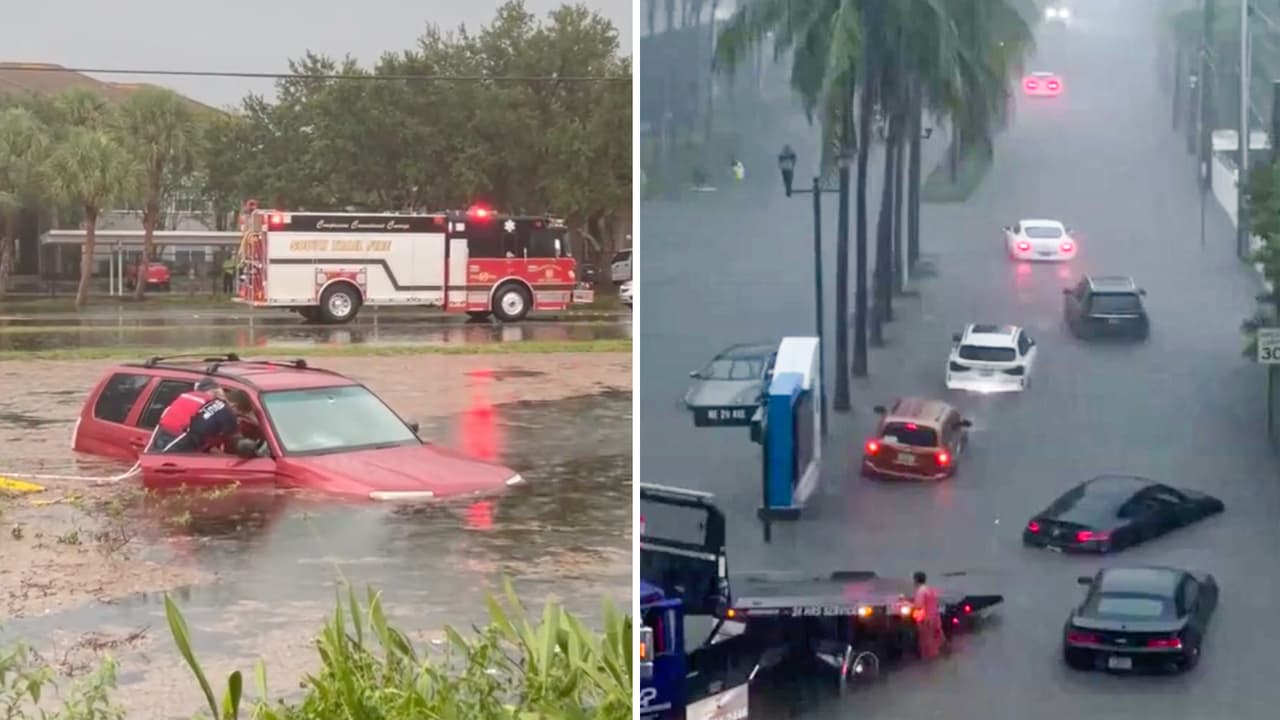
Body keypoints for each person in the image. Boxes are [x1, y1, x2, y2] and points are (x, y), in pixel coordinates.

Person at [150, 378, 243, 454]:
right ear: (216, 392)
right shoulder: (221, 408)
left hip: (162, 443)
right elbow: (235, 436)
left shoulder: (185, 399)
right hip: (182, 453)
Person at [912, 571, 946, 660]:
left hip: (925, 621)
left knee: (926, 643)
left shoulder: (920, 591)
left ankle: (929, 665)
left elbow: (918, 606)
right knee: (936, 641)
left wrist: (907, 603)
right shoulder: (930, 590)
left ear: (915, 580)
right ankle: (937, 662)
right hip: (935, 618)